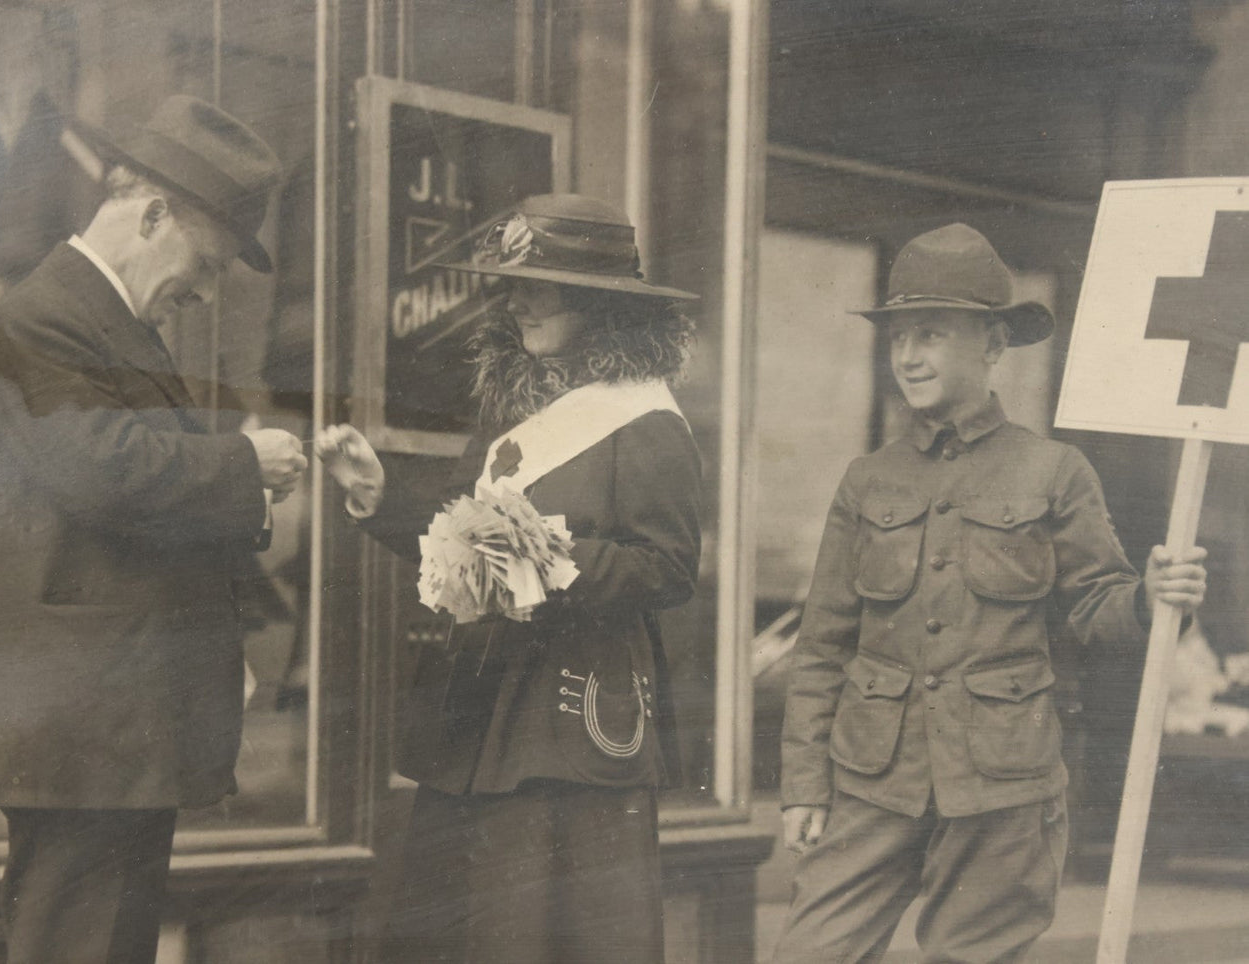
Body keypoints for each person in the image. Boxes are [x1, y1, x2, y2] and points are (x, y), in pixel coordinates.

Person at [0, 95, 306, 964]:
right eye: (206, 261)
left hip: (110, 721)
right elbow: (105, 471)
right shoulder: (46, 316)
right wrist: (245, 466)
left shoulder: (101, 320)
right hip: (82, 724)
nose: (204, 291)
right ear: (152, 211)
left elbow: (131, 491)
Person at [772, 223, 1210, 962]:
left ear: (992, 346)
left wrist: (1150, 597)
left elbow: (1097, 604)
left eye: (932, 334)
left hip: (1001, 787)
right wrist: (803, 785)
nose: (908, 356)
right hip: (872, 781)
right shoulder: (868, 479)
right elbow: (820, 648)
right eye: (898, 336)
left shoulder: (1053, 471)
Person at [317, 193, 700, 964]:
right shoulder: (514, 409)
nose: (517, 299)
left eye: (540, 284)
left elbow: (666, 568)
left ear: (596, 301)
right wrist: (377, 495)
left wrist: (540, 557)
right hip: (480, 716)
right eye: (513, 283)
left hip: (568, 726)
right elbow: (464, 533)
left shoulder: (647, 422)